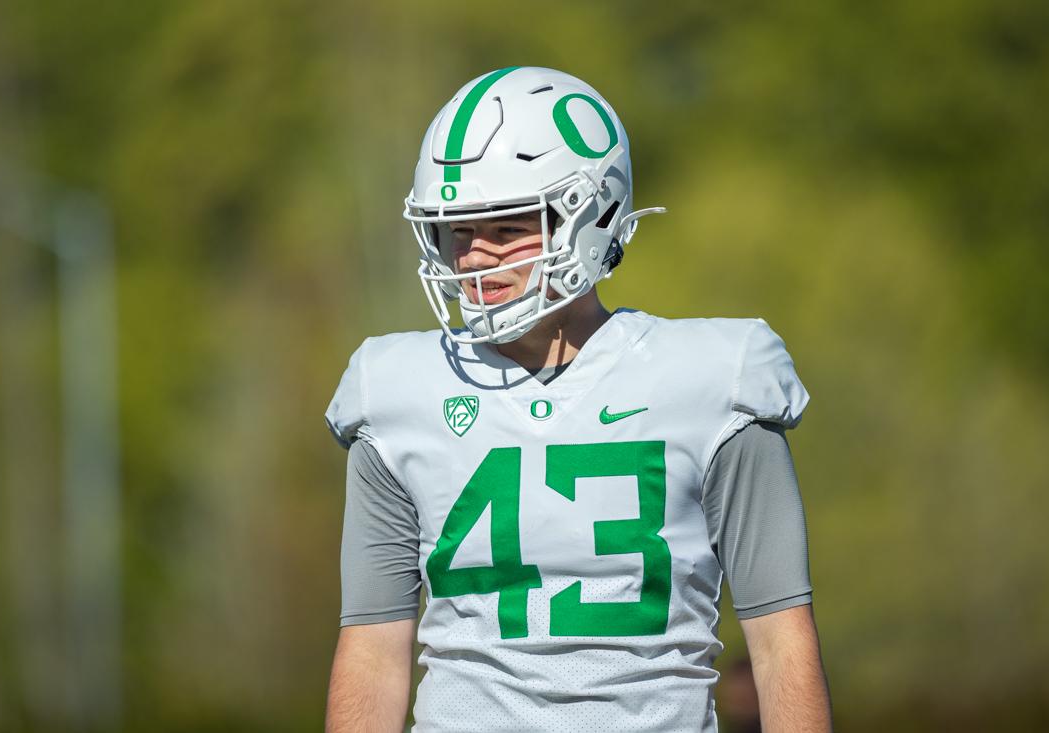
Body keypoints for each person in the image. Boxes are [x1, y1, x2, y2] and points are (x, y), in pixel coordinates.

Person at [323, 66, 832, 733]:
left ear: (593, 215)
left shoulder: (714, 381)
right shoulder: (396, 392)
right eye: (456, 230)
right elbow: (373, 651)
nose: (473, 259)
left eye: (505, 228)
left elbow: (780, 641)